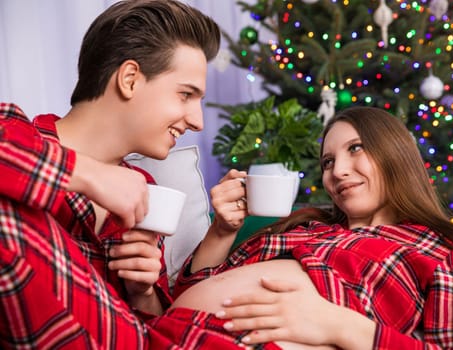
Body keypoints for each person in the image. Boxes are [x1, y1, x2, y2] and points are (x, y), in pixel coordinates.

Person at [0, 1, 262, 348]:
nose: (197, 120)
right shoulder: (15, 135)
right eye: (185, 94)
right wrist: (86, 173)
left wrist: (143, 293)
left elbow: (151, 329)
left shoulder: (145, 189)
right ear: (130, 79)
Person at [171, 106, 453, 349]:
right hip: (171, 332)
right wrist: (221, 231)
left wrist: (342, 326)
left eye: (356, 149)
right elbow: (187, 292)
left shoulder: (439, 249)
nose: (338, 171)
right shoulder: (303, 227)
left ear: (395, 154)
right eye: (328, 162)